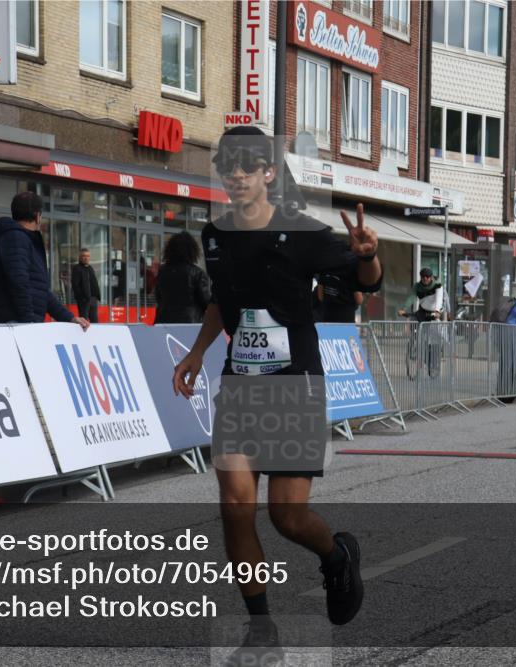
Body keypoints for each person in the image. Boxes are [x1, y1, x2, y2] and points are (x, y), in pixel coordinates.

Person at [171, 126, 381, 656]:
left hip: (294, 389)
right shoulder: (214, 235)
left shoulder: (304, 233)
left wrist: (366, 255)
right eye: (229, 167)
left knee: (287, 517)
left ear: (268, 173)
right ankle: (261, 631)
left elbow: (366, 280)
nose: (236, 175)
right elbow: (220, 302)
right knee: (235, 506)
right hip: (239, 388)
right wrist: (196, 352)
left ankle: (336, 556)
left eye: (248, 166)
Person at [0, 191, 90, 329]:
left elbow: (41, 291)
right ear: (37, 216)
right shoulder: (16, 237)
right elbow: (18, 282)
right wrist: (29, 322)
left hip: (19, 324)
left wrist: (70, 318)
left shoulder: (24, 240)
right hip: (14, 325)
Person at [154, 231, 212, 324]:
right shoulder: (198, 273)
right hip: (190, 322)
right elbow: (206, 302)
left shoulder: (162, 271)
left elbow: (158, 297)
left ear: (169, 250)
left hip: (164, 321)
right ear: (192, 251)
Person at [71, 247, 101, 323]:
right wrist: (82, 298)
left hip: (93, 299)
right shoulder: (77, 268)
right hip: (83, 300)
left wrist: (97, 296)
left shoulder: (90, 268)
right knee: (84, 321)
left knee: (95, 321)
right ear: (80, 257)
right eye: (84, 256)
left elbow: (94, 282)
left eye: (88, 256)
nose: (86, 258)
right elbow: (75, 285)